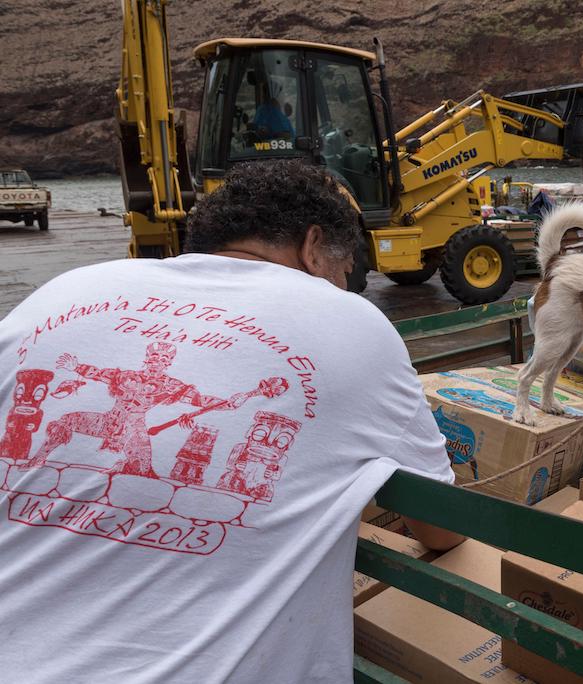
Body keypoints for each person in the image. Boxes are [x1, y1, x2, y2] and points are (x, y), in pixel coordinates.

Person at [0, 159, 463, 681]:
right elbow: (441, 528)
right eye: (346, 266)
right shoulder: (351, 320)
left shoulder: (65, 291)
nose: (345, 283)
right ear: (313, 247)